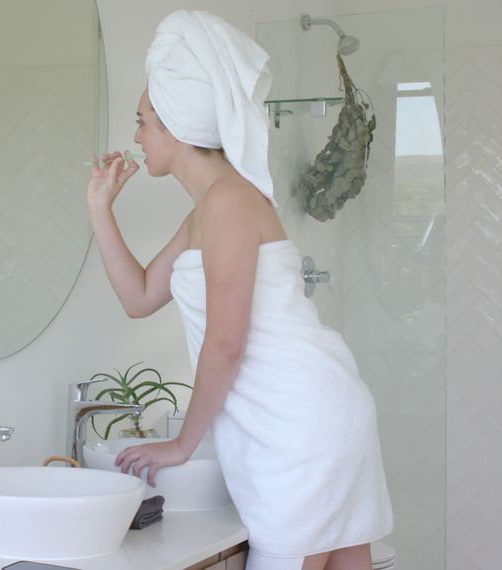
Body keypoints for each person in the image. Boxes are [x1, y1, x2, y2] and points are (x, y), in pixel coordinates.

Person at [87, 11, 392, 570]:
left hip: (299, 424)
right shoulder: (213, 205)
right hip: (315, 413)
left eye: (142, 121)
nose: (135, 136)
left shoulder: (227, 203)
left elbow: (226, 341)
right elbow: (139, 297)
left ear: (175, 122)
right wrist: (99, 209)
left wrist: (181, 446)